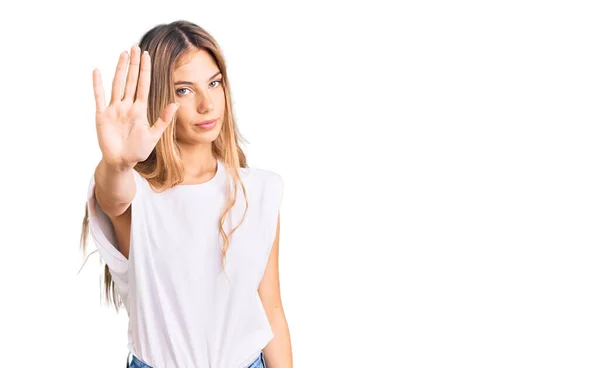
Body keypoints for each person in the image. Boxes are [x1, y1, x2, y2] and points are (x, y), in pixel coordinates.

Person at [79, 20, 293, 368]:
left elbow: (271, 309)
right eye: (184, 90)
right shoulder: (139, 195)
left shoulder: (259, 190)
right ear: (157, 98)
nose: (207, 104)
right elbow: (113, 196)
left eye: (213, 82)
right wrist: (116, 163)